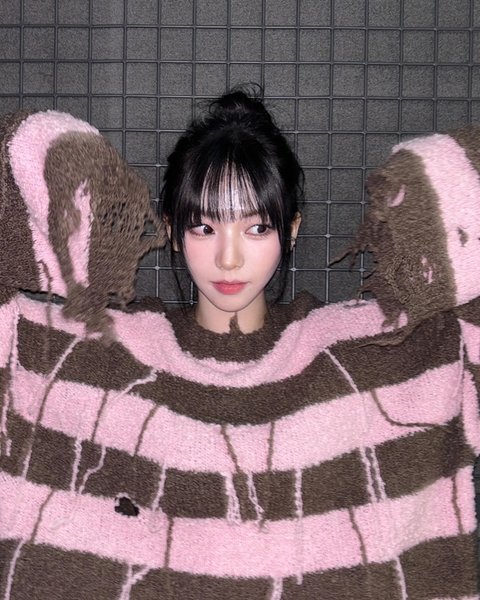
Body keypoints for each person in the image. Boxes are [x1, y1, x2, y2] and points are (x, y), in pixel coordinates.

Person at [1, 89, 480, 600]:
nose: (228, 258)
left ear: (290, 231)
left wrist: (423, 193)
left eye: (256, 227)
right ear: (173, 230)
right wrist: (72, 215)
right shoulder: (110, 346)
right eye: (204, 227)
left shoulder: (357, 349)